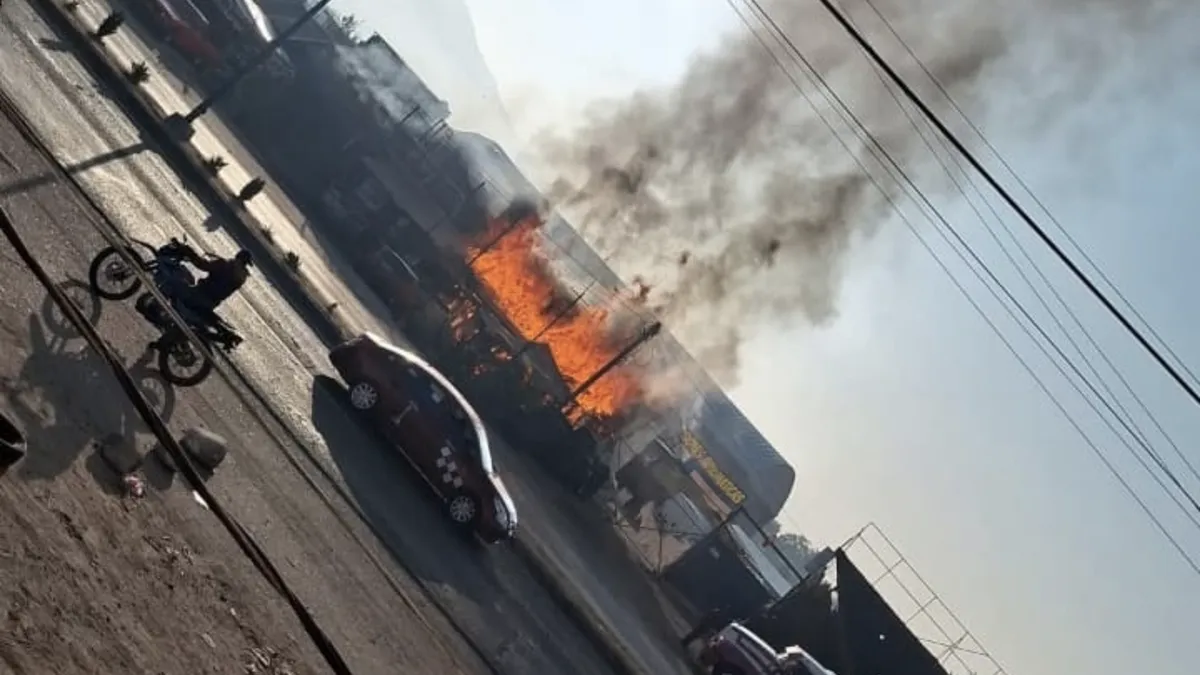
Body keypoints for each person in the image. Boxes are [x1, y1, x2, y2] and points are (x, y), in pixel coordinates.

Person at [149, 245, 253, 350]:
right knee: (184, 318)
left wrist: (190, 252)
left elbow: (203, 265)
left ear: (237, 256)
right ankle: (163, 342)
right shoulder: (240, 278)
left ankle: (157, 309)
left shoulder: (225, 265)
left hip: (198, 295)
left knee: (175, 287)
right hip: (210, 303)